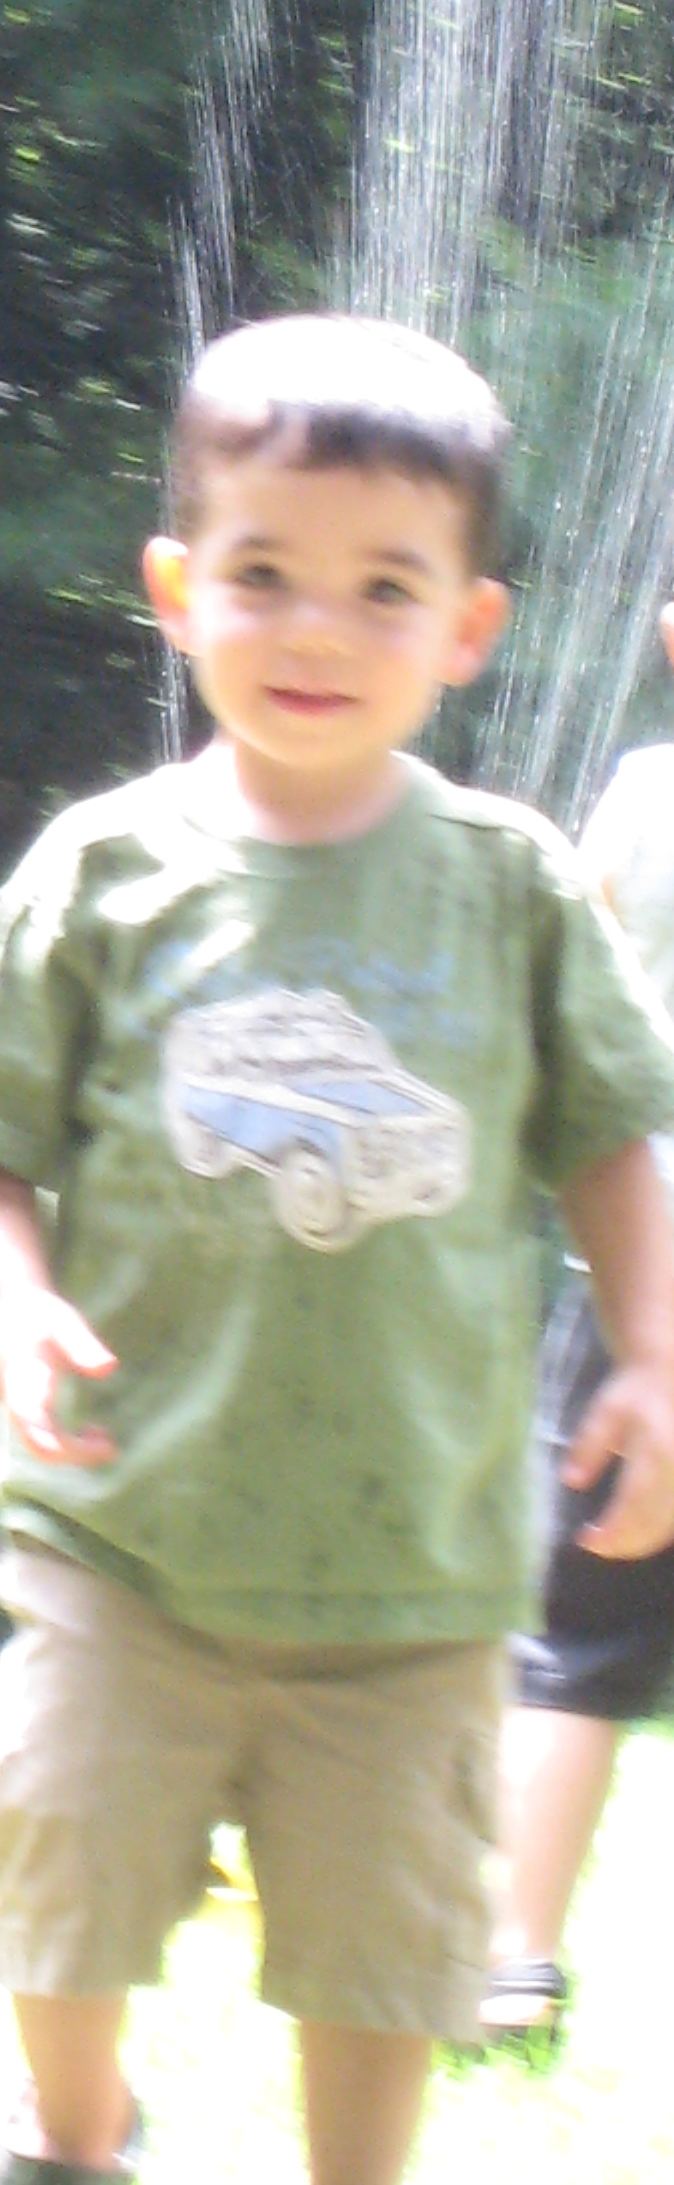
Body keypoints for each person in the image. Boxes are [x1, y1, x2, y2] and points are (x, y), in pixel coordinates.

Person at [0, 313, 674, 2185]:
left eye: (383, 589)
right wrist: (17, 1305)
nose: (317, 628)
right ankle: (72, 2140)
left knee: (385, 1929)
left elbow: (613, 1139)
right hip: (123, 1525)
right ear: (177, 591)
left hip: (415, 1559)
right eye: (263, 575)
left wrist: (655, 1360)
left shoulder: (511, 887)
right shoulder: (104, 875)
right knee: (60, 1865)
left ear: (468, 630)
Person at [483, 607, 674, 2050]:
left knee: (573, 1631)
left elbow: (569, 981)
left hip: (647, 1253)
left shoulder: (645, 794)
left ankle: (512, 1961)